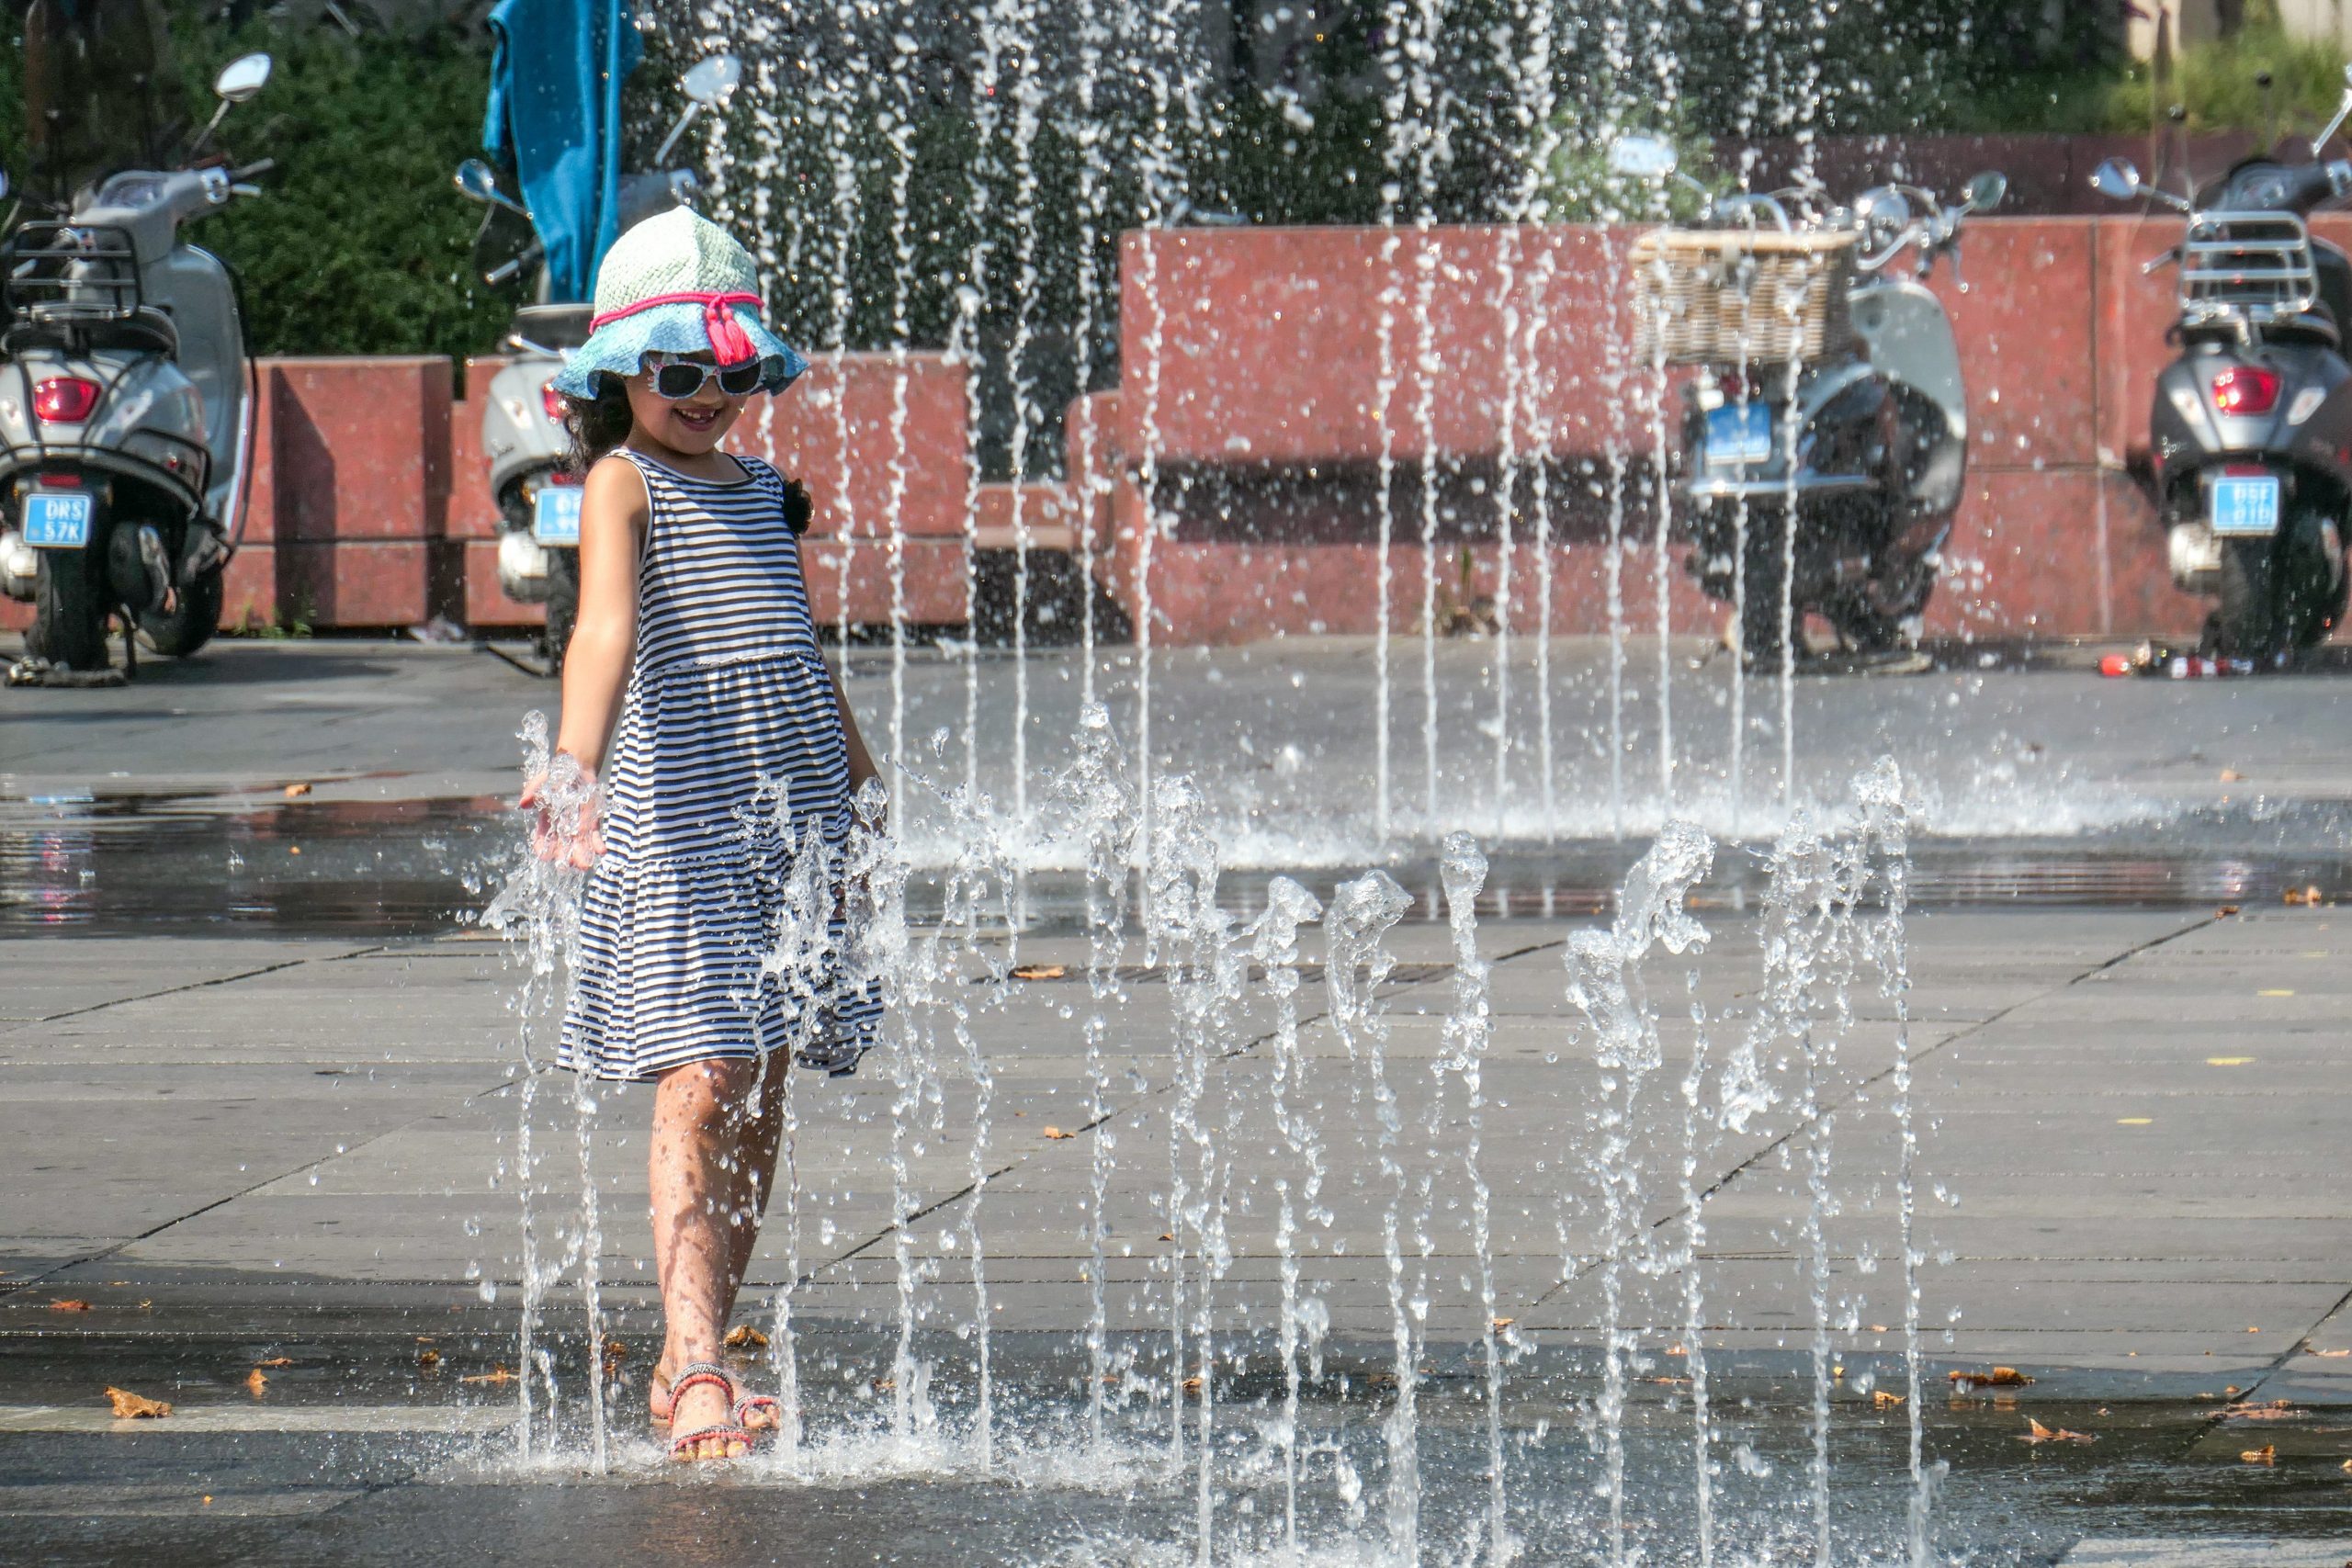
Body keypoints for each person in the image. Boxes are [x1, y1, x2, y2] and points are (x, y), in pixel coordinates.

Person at [520, 207, 883, 1464]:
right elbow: (601, 632)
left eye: (731, 373)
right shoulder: (624, 482)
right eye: (681, 372)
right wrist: (574, 766)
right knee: (701, 1075)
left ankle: (703, 1347)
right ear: (622, 376)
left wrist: (859, 769)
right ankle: (693, 1371)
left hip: (789, 816)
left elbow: (797, 647)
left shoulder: (764, 495)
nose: (709, 396)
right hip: (682, 826)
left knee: (767, 1077)